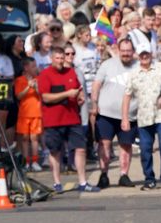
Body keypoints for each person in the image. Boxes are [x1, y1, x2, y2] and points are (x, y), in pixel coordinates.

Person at [38, 47, 90, 193]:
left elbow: (78, 90)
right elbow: (45, 97)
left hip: (72, 118)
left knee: (80, 148)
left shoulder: (71, 72)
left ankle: (83, 182)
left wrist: (79, 98)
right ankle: (57, 182)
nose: (60, 61)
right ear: (51, 59)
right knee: (55, 151)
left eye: (62, 58)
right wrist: (66, 94)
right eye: (58, 58)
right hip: (53, 120)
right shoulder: (45, 74)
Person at [122, 49, 161, 190]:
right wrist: (125, 118)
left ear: (151, 54)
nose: (144, 57)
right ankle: (149, 179)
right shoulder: (133, 73)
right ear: (137, 56)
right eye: (141, 54)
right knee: (145, 149)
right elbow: (127, 96)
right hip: (144, 117)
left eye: (147, 54)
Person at [92, 39, 139, 189]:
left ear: (133, 51)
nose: (126, 54)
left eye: (128, 51)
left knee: (126, 145)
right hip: (106, 113)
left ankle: (124, 175)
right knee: (104, 144)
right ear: (118, 50)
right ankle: (103, 175)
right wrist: (94, 103)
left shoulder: (139, 66)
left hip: (130, 114)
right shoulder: (107, 65)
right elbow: (96, 84)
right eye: (123, 51)